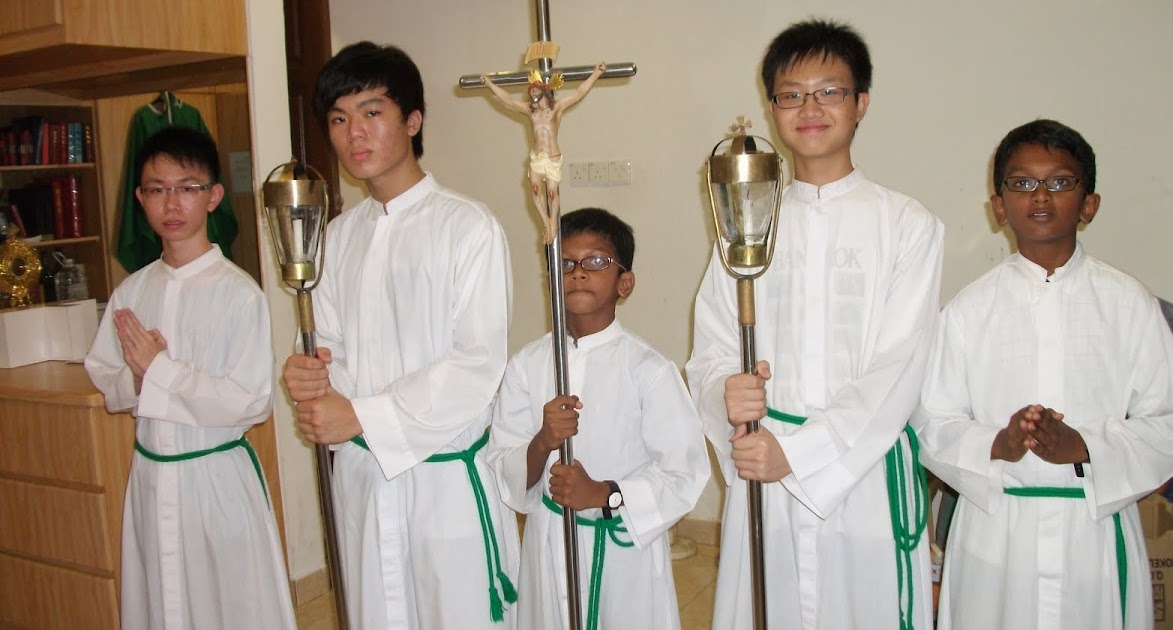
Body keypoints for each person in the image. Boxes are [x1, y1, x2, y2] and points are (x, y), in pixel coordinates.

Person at [686, 19, 944, 630]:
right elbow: (713, 346)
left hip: (860, 473)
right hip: (763, 465)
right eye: (791, 94)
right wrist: (726, 391)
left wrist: (799, 453)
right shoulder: (747, 222)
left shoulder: (906, 225)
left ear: (861, 103)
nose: (809, 108)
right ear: (772, 107)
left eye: (829, 91)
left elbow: (899, 367)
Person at [911, 119, 1173, 630]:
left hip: (1091, 533)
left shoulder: (1127, 303)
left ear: (1089, 204)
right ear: (999, 206)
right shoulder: (969, 310)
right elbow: (932, 422)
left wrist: (1085, 447)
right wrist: (998, 444)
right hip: (996, 538)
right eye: (1022, 182)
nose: (1040, 195)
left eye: (1060, 181)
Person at [282, 41, 519, 628]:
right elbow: (329, 342)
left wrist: (361, 415)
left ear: (413, 121)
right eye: (338, 119)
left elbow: (476, 364)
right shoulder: (337, 237)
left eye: (372, 112)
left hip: (444, 483)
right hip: (364, 481)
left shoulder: (468, 228)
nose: (354, 134)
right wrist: (309, 373)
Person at [84, 126, 294, 629]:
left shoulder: (239, 294)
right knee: (160, 605)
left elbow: (250, 401)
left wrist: (160, 371)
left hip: (214, 480)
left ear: (213, 196)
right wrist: (137, 381)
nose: (171, 203)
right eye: (156, 190)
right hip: (151, 477)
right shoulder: (131, 293)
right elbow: (107, 379)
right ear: (140, 199)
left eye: (186, 188)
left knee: (229, 606)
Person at [486, 208, 710, 630]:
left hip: (622, 547)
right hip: (549, 540)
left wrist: (605, 494)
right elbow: (503, 465)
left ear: (625, 282)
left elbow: (684, 474)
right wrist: (542, 442)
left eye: (597, 261)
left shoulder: (648, 370)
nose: (579, 272)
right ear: (550, 279)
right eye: (565, 263)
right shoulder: (527, 365)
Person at [481, 63, 605, 243]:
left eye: (534, 90)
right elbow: (508, 100)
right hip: (537, 158)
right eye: (530, 91)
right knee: (535, 189)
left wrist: (596, 74)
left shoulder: (556, 108)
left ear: (544, 91)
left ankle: (553, 221)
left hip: (552, 157)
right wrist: (489, 84)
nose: (531, 94)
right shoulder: (530, 111)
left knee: (552, 193)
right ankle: (546, 222)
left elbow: (578, 94)